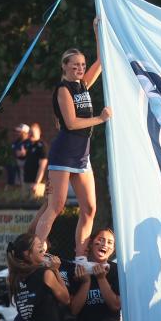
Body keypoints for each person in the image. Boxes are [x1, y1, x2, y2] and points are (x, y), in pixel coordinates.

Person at [32, 32, 113, 259]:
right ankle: (36, 252)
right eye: (75, 64)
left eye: (82, 65)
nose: (80, 68)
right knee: (56, 206)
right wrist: (100, 118)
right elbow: (71, 122)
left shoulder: (84, 85)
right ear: (65, 66)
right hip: (64, 153)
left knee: (89, 209)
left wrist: (97, 33)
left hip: (82, 153)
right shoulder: (63, 89)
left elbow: (102, 61)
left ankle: (80, 257)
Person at [65, 228, 121, 321]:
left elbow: (115, 305)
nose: (105, 244)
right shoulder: (79, 269)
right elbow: (74, 310)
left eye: (110, 242)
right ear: (90, 243)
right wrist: (85, 282)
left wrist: (102, 279)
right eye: (101, 240)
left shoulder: (116, 271)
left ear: (113, 249)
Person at [23, 123, 47, 198]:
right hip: (27, 180)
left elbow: (42, 166)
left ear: (39, 133)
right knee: (24, 205)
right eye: (30, 132)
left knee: (35, 205)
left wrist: (37, 183)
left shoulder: (41, 146)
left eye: (33, 132)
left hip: (37, 183)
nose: (31, 134)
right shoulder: (28, 145)